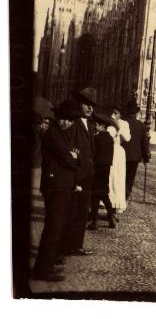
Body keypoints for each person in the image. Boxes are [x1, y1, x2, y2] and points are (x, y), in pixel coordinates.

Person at [32, 100, 80, 281]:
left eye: (69, 120)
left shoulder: (63, 133)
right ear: (57, 117)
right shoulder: (53, 134)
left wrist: (73, 156)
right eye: (63, 119)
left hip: (62, 186)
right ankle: (43, 270)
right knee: (52, 229)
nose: (65, 123)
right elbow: (69, 158)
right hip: (55, 187)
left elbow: (75, 155)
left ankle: (46, 266)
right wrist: (73, 156)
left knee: (55, 228)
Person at [61, 87, 97, 258]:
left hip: (87, 175)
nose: (90, 108)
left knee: (82, 212)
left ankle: (77, 245)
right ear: (79, 104)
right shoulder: (74, 124)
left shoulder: (90, 125)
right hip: (76, 175)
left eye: (92, 105)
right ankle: (66, 246)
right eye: (87, 104)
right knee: (71, 212)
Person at [88, 113, 117, 230]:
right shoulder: (110, 138)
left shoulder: (97, 138)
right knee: (104, 194)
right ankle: (111, 217)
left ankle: (94, 222)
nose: (95, 126)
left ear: (102, 126)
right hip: (106, 169)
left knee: (95, 195)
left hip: (97, 169)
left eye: (96, 125)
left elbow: (93, 153)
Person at [121, 100, 150, 201]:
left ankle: (120, 195)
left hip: (121, 155)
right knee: (130, 177)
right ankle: (126, 194)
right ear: (136, 113)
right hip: (134, 156)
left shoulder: (121, 122)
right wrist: (146, 157)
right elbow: (145, 144)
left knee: (120, 176)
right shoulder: (141, 125)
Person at [108, 106, 130, 215]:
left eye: (117, 112)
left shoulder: (124, 123)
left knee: (119, 178)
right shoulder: (108, 121)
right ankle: (108, 202)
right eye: (114, 111)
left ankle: (117, 204)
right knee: (110, 177)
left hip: (119, 153)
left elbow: (127, 138)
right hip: (109, 151)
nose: (115, 113)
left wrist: (118, 127)